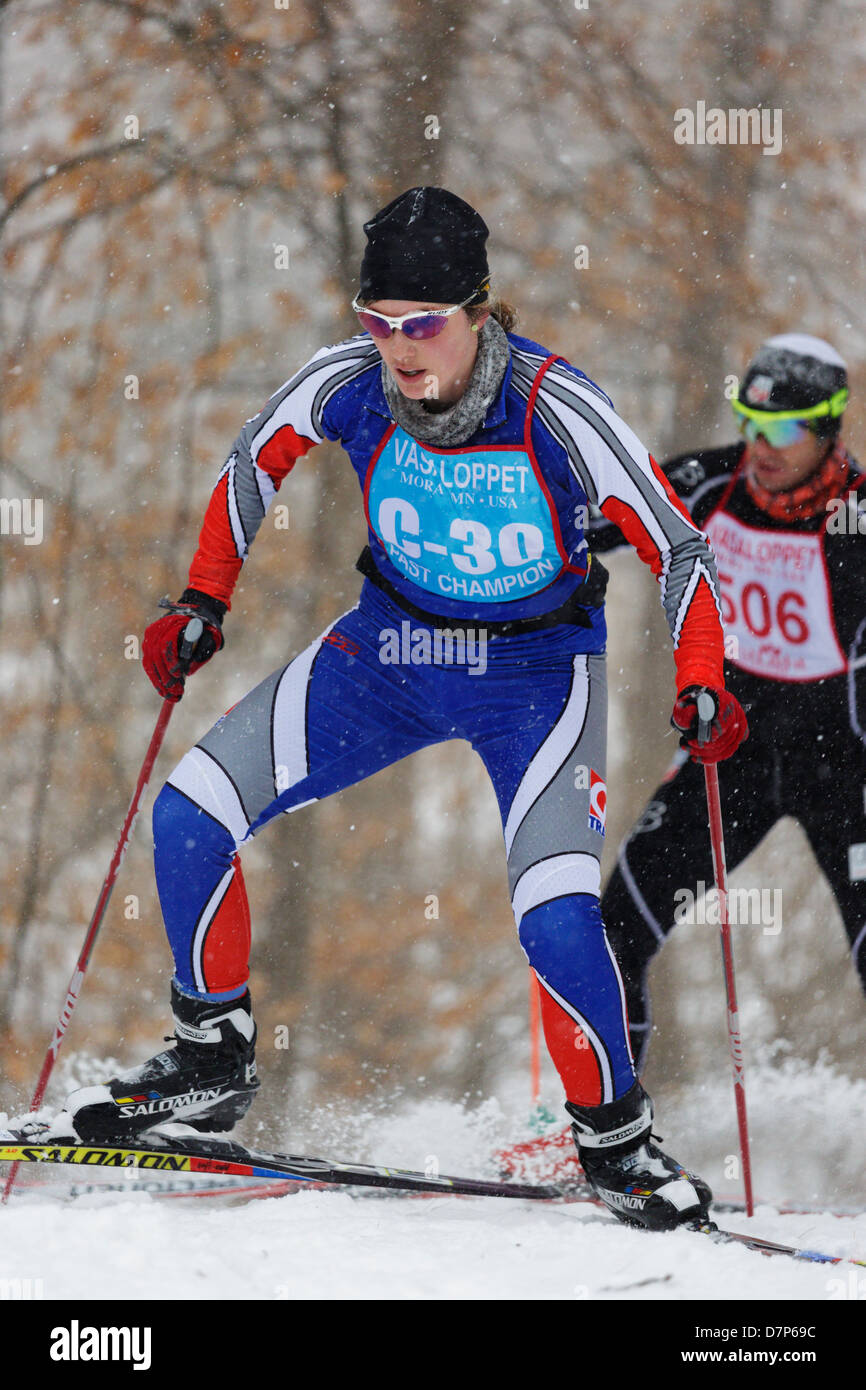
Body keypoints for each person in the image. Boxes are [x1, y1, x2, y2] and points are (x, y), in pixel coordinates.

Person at [62, 187, 747, 1230]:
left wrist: (701, 673)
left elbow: (677, 544)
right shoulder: (349, 381)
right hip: (386, 653)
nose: (396, 348)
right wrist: (202, 597)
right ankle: (211, 1053)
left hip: (535, 678)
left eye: (420, 324)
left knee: (559, 920)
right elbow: (254, 459)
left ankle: (614, 1141)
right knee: (189, 812)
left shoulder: (554, 407)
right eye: (377, 322)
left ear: (479, 311)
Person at [593, 333, 863, 1069]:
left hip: (847, 774)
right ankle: (603, 1129)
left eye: (782, 429)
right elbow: (587, 525)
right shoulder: (708, 483)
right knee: (613, 930)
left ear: (829, 428)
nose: (760, 445)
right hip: (729, 758)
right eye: (750, 421)